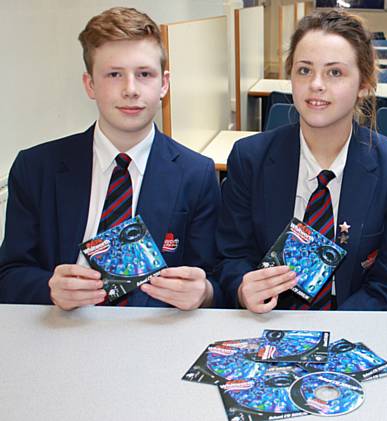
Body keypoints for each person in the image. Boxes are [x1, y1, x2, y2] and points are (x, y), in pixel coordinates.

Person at [0, 7, 222, 310]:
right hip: (62, 328)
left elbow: (213, 278)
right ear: (90, 84)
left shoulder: (196, 174)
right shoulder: (36, 168)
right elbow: (9, 274)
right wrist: (49, 288)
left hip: (152, 335)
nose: (130, 90)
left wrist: (205, 292)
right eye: (114, 74)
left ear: (164, 84)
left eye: (144, 74)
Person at [217, 9, 387, 313]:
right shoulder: (250, 159)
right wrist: (243, 288)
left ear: (364, 84)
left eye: (335, 72)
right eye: (304, 70)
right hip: (268, 320)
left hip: (355, 323)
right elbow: (230, 257)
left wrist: (333, 340)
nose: (316, 84)